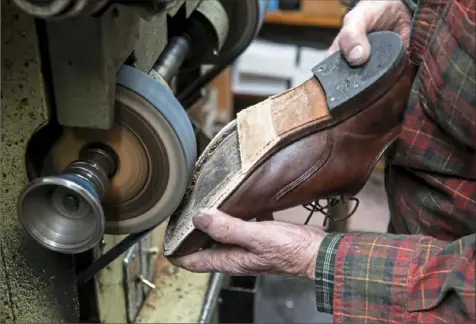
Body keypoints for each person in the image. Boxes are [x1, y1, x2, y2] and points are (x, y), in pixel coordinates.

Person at [169, 0, 475, 322]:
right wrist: (413, 13)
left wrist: (320, 259)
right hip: (422, 202)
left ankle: (352, 149)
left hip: (438, 278)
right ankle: (366, 138)